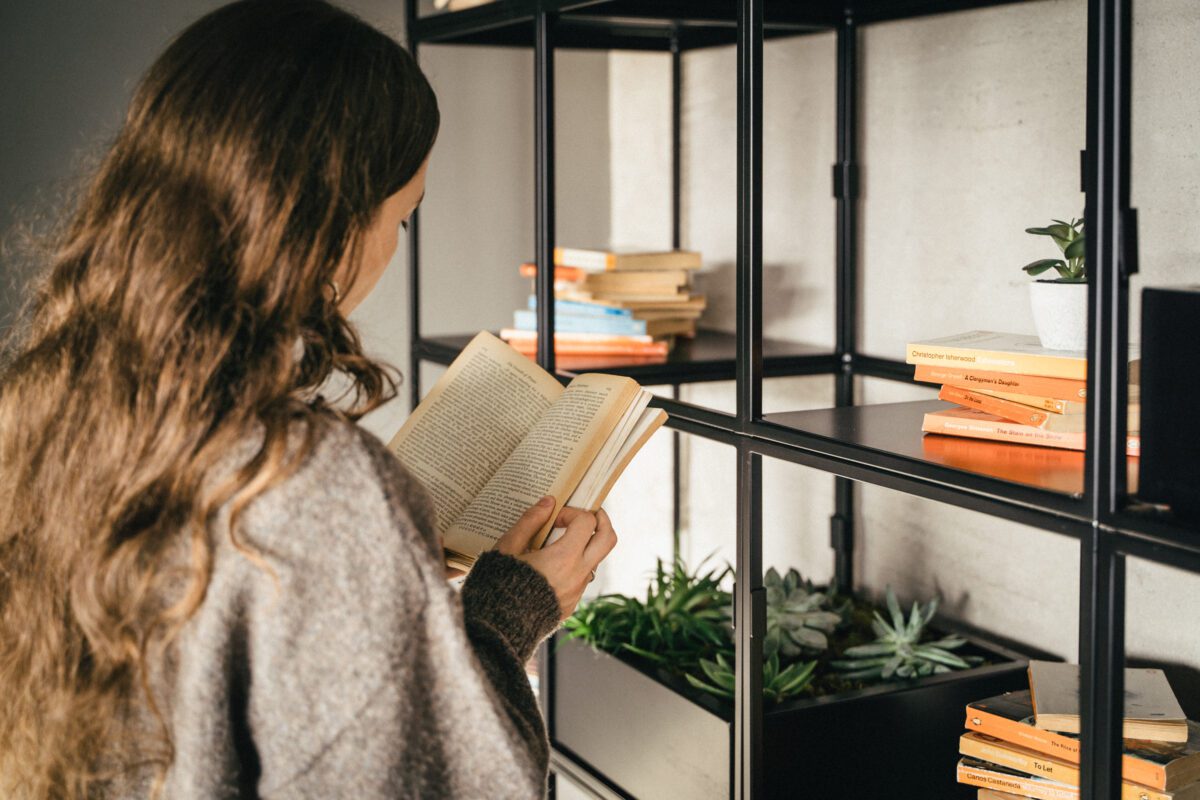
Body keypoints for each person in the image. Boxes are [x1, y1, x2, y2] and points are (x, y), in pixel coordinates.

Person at [0, 1, 617, 798]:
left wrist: (380, 585)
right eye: (404, 214)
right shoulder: (309, 481)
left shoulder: (47, 402)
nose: (395, 247)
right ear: (327, 221)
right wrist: (510, 608)